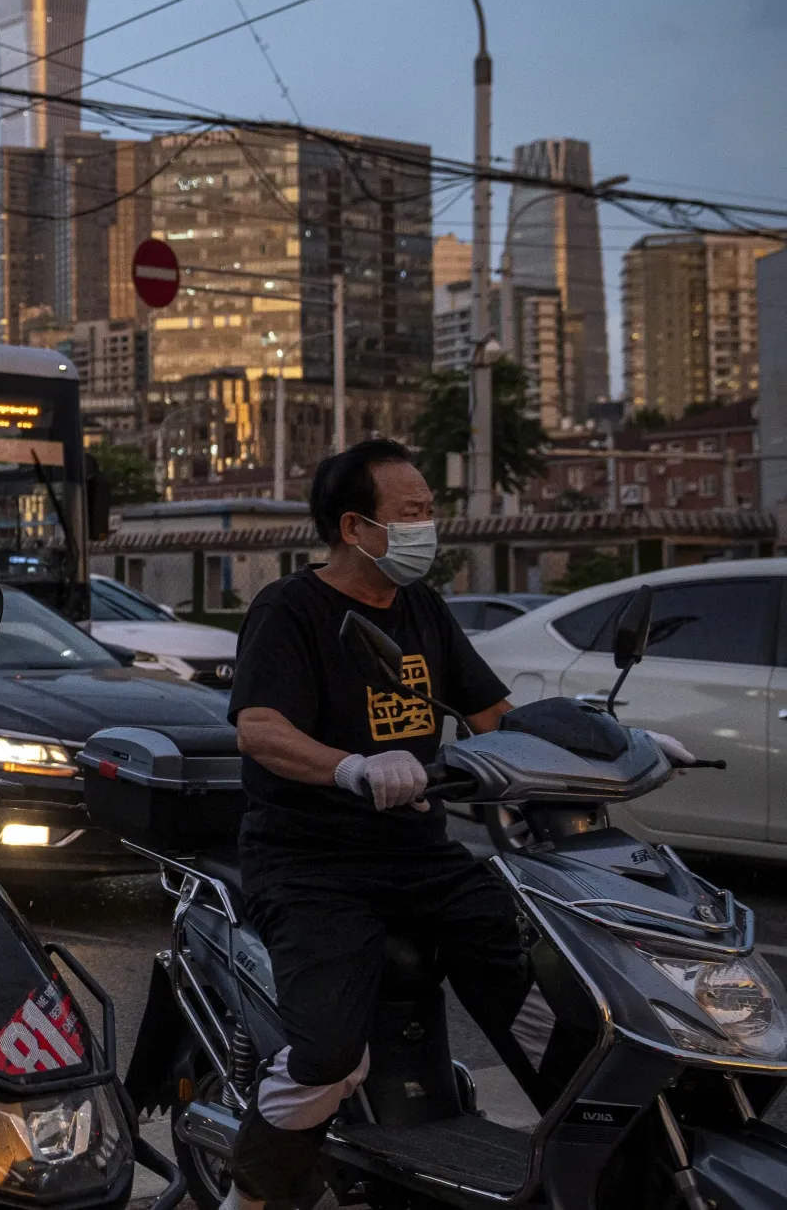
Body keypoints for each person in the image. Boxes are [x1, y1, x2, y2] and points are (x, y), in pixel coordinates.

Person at [217, 440, 592, 1209]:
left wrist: (610, 748)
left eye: (430, 509)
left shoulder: (422, 607)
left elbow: (492, 713)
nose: (430, 525)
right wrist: (354, 765)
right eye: (413, 513)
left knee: (547, 991)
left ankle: (590, 1159)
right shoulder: (291, 610)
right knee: (326, 1052)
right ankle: (251, 1195)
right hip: (312, 863)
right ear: (356, 527)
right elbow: (258, 727)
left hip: (419, 853)